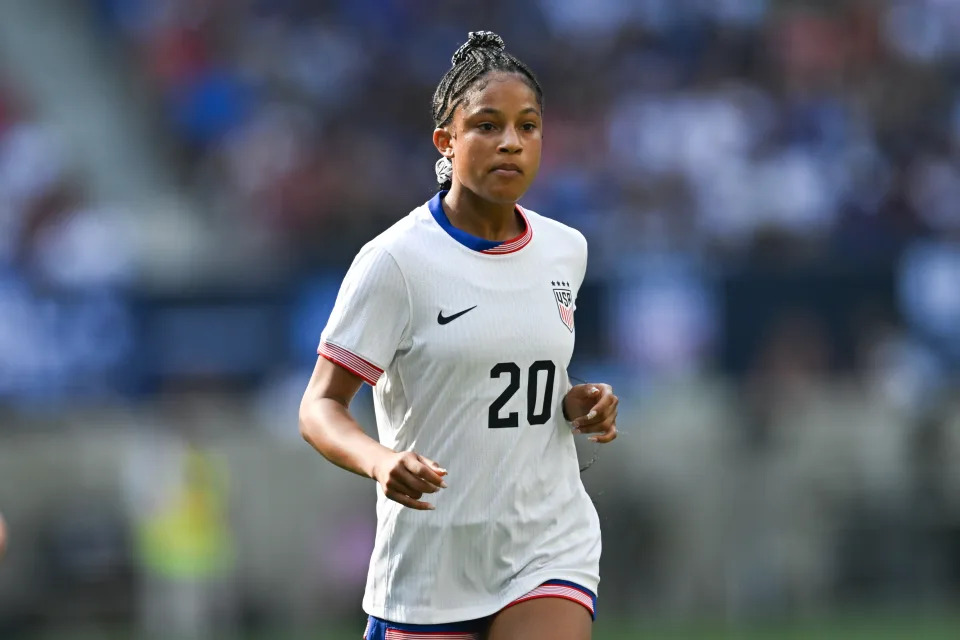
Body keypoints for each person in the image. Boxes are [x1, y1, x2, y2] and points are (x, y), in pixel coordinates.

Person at [299, 31, 619, 640]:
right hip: (429, 567)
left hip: (547, 543)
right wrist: (381, 460)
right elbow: (319, 406)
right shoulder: (394, 261)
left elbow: (521, 370)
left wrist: (575, 400)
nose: (510, 142)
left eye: (528, 127)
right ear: (446, 141)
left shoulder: (565, 250)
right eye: (487, 126)